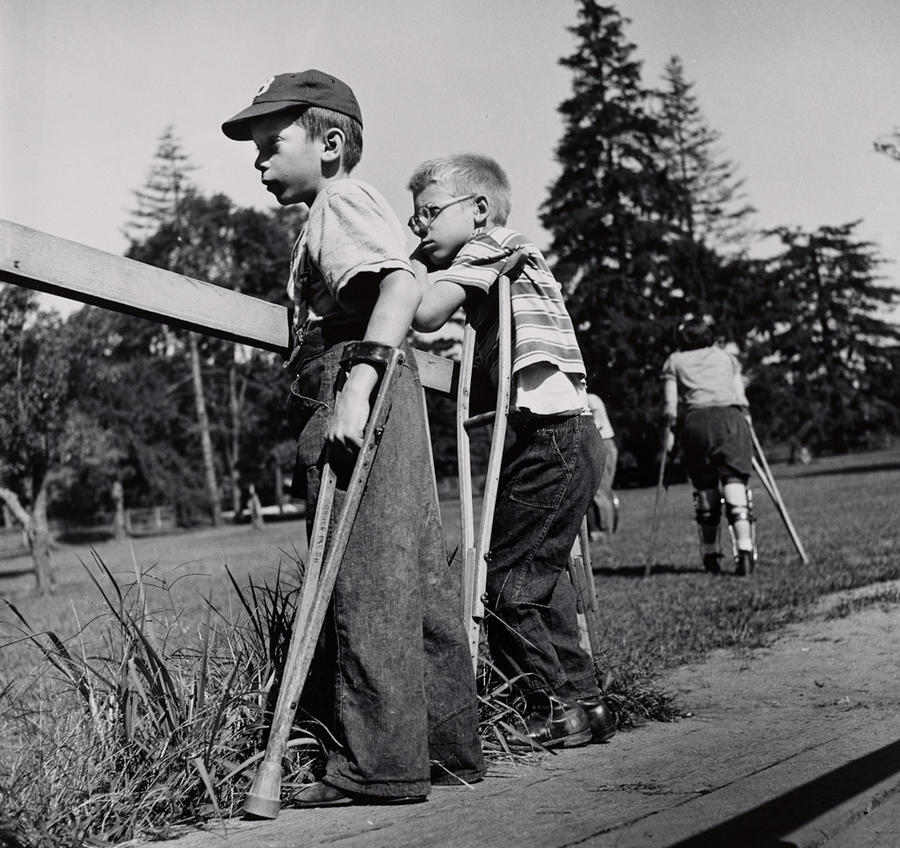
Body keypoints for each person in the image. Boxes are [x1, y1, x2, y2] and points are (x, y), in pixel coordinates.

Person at [221, 70, 484, 807]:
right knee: (411, 570)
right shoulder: (339, 206)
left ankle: (377, 765)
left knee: (363, 576)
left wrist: (358, 388)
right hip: (382, 384)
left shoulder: (340, 201)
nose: (259, 162)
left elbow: (398, 286)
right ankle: (445, 747)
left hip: (355, 382)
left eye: (272, 144)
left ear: (330, 143)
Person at [407, 153, 615, 750]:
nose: (419, 225)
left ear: (476, 209)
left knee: (506, 583)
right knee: (541, 580)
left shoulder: (491, 245)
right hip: (565, 433)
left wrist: (411, 267)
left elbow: (423, 315)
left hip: (550, 435)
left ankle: (550, 704)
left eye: (428, 213)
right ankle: (586, 702)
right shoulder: (502, 260)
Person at [661, 316, 757, 576]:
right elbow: (741, 397)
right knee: (734, 482)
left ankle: (710, 555)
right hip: (731, 419)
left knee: (705, 487)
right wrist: (747, 422)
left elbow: (671, 407)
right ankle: (745, 552)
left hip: (696, 424)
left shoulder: (675, 361)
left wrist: (670, 430)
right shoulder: (727, 358)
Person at [586, 393, 619, 543]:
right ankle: (599, 530)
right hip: (601, 444)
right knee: (599, 491)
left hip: (603, 443)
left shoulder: (590, 399)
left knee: (601, 491)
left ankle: (605, 530)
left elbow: (598, 423)